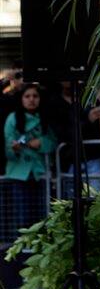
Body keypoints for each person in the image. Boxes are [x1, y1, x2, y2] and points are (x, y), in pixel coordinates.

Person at [3, 83, 56, 234]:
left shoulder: (44, 117)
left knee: (42, 215)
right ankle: (23, 250)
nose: (31, 99)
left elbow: (53, 142)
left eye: (35, 96)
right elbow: (7, 149)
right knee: (23, 214)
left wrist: (41, 143)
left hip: (40, 172)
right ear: (21, 99)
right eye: (27, 96)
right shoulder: (12, 118)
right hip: (19, 173)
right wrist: (14, 149)